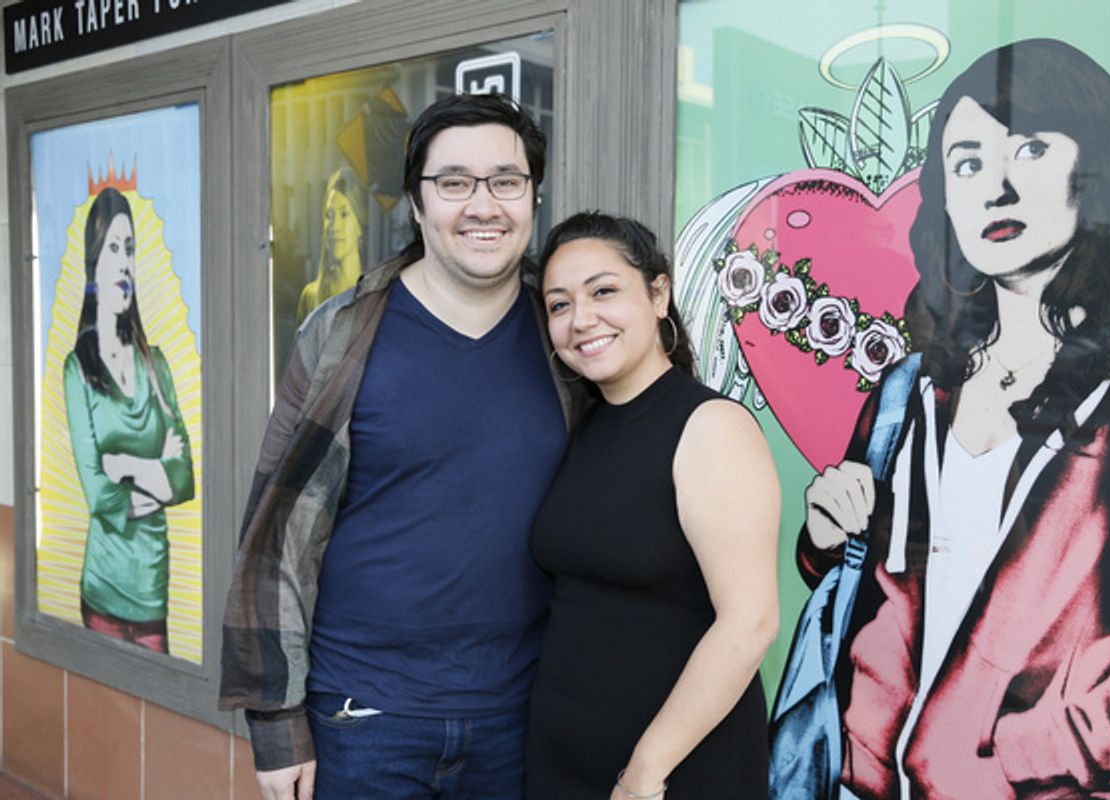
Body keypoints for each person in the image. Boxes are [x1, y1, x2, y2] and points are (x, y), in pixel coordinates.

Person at [782, 39, 1110, 798]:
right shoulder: (916, 382)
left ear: (1097, 168)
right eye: (968, 162)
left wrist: (1015, 749)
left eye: (1030, 148)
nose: (995, 186)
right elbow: (879, 585)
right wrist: (824, 537)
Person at [220, 93, 585, 800]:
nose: (483, 204)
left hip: (521, 714)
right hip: (364, 719)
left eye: (505, 181)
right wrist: (277, 725)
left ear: (533, 198)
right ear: (417, 205)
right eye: (454, 183)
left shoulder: (567, 337)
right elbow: (277, 537)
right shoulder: (340, 336)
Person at [526, 212, 781, 799]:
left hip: (671, 774)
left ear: (658, 293)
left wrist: (647, 769)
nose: (580, 319)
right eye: (559, 305)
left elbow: (750, 622)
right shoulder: (584, 424)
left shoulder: (711, 428)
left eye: (604, 292)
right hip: (562, 765)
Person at [63, 186, 195, 655]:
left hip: (152, 589)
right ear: (94, 264)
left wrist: (127, 466)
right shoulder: (77, 369)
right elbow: (98, 495)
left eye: (130, 249)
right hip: (101, 590)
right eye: (113, 249)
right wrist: (156, 480)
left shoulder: (155, 365)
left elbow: (185, 480)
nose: (123, 263)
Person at [295, 167, 368, 325]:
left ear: (360, 226)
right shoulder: (310, 297)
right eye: (329, 215)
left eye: (344, 214)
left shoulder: (377, 296)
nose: (334, 226)